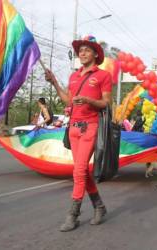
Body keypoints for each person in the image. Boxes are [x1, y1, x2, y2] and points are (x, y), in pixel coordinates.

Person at [45, 35, 112, 232]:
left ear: (95, 54)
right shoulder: (74, 76)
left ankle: (73, 215)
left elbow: (106, 103)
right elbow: (69, 101)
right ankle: (99, 206)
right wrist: (55, 83)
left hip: (91, 127)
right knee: (81, 170)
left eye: (86, 50)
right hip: (73, 128)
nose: (82, 53)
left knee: (79, 171)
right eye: (80, 50)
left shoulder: (103, 76)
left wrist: (89, 101)